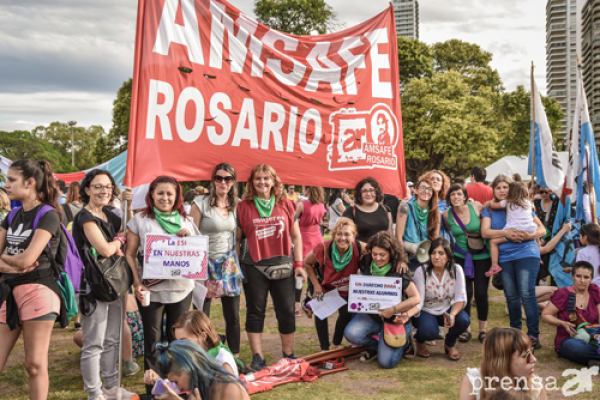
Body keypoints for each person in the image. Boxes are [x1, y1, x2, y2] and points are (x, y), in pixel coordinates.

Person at [125, 175, 199, 395]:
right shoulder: (139, 220)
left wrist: (187, 239)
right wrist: (137, 283)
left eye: (169, 193)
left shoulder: (187, 221)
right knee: (153, 343)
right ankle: (154, 392)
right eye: (160, 193)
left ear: (176, 196)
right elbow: (129, 254)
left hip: (181, 289)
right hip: (152, 291)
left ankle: (177, 389)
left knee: (178, 341)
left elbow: (197, 254)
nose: (165, 198)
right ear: (152, 195)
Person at [0, 159, 65, 400]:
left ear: (29, 183)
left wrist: (9, 260)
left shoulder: (49, 214)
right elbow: (22, 260)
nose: (6, 185)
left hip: (39, 291)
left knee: (34, 365)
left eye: (11, 180)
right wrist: (13, 262)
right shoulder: (13, 214)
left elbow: (28, 260)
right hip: (8, 291)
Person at [235, 164, 306, 371]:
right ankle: (258, 357)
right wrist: (237, 268)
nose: (262, 182)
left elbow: (296, 236)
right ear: (251, 182)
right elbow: (237, 240)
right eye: (258, 178)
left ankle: (288, 354)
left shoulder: (286, 204)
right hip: (253, 266)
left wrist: (299, 263)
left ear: (274, 181)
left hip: (283, 265)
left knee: (286, 311)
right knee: (255, 312)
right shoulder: (243, 207)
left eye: (266, 178)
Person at [71, 169, 134, 400]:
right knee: (94, 343)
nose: (103, 191)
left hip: (115, 283)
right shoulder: (85, 217)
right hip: (94, 285)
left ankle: (111, 388)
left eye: (107, 186)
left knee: (112, 339)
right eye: (97, 186)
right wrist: (120, 239)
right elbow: (106, 249)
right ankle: (94, 394)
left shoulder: (110, 213)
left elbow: (129, 229)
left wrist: (130, 206)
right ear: (86, 190)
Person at [481, 175, 546, 349]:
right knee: (511, 297)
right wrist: (507, 234)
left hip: (527, 252)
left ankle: (533, 335)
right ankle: (515, 334)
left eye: (505, 187)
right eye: (498, 188)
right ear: (493, 190)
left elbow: (542, 229)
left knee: (527, 293)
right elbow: (485, 233)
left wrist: (529, 235)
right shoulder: (491, 209)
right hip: (506, 256)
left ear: (512, 189)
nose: (502, 190)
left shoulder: (522, 204)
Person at [344, 232, 420, 368]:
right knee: (351, 334)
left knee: (386, 363)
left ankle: (405, 342)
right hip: (372, 316)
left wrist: (393, 310)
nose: (377, 258)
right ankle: (377, 345)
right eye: (375, 254)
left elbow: (416, 298)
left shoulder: (399, 270)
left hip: (395, 319)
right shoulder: (366, 261)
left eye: (382, 255)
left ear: (391, 253)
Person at [190, 163, 241, 357]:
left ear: (233, 182)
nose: (223, 182)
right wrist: (193, 270)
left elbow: (236, 236)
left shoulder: (236, 203)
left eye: (227, 178)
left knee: (233, 316)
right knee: (202, 316)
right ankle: (202, 356)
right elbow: (191, 235)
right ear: (213, 180)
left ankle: (234, 356)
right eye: (218, 178)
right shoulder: (200, 202)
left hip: (228, 263)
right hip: (204, 263)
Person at [304, 217, 364, 351]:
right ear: (334, 235)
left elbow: (380, 252)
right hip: (326, 287)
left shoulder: (360, 247)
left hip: (346, 290)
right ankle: (324, 348)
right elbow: (307, 263)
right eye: (339, 234)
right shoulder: (323, 248)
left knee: (346, 313)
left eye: (347, 234)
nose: (343, 238)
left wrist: (401, 261)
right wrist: (317, 286)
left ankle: (336, 343)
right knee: (320, 313)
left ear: (354, 236)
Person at [144, 310, 240, 389]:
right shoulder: (195, 357)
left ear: (203, 336)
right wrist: (158, 379)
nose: (179, 346)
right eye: (177, 341)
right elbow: (181, 383)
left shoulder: (222, 362)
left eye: (184, 341)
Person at [443, 184, 490, 343]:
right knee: (465, 293)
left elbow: (489, 219)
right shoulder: (446, 215)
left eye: (458, 194)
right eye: (452, 195)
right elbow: (449, 234)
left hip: (482, 256)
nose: (455, 197)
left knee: (482, 293)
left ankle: (483, 329)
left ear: (464, 196)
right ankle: (466, 328)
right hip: (460, 256)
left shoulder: (476, 206)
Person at [412, 238, 469, 360]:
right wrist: (409, 315)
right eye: (433, 253)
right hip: (426, 310)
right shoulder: (421, 271)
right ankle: (420, 340)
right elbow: (419, 301)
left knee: (464, 320)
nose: (436, 257)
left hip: (446, 309)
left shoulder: (456, 269)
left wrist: (452, 314)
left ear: (448, 255)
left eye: (441, 253)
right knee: (430, 332)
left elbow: (461, 297)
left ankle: (450, 343)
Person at [458, 327, 547, 400]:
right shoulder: (474, 380)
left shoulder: (534, 383)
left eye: (532, 352)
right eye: (526, 355)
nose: (534, 359)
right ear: (503, 361)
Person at [541, 261, 600, 368]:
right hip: (570, 339)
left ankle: (596, 362)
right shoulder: (563, 294)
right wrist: (562, 323)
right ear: (573, 276)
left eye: (586, 277)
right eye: (578, 276)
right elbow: (546, 314)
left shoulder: (595, 291)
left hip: (594, 336)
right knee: (576, 348)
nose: (582, 280)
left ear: (591, 279)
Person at [155, 341, 249, 400]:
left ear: (185, 371)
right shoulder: (203, 388)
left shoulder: (230, 388)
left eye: (176, 382)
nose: (178, 388)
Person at [487, 182, 539, 277]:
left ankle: (494, 266)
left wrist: (492, 201)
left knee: (493, 242)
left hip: (514, 232)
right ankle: (538, 252)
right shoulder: (528, 203)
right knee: (537, 235)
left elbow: (493, 205)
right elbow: (534, 211)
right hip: (530, 229)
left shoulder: (508, 202)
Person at [396, 176, 441, 272]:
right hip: (409, 256)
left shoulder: (435, 212)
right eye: (423, 188)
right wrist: (402, 260)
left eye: (429, 189)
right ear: (416, 191)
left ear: (432, 193)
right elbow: (398, 237)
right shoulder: (405, 208)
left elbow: (435, 239)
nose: (426, 191)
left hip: (427, 257)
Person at [533, 187, 574, 288]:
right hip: (540, 242)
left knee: (555, 274)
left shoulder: (557, 202)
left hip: (555, 241)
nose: (544, 194)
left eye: (547, 191)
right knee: (537, 276)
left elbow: (566, 199)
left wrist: (556, 190)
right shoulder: (535, 202)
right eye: (541, 191)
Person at [296, 186, 327, 316]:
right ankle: (311, 299)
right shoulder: (321, 205)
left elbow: (293, 222)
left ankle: (296, 304)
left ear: (307, 189)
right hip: (317, 238)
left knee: (298, 272)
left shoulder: (301, 205)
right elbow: (320, 220)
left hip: (303, 239)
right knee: (314, 272)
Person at [342, 177, 392, 244]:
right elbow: (345, 238)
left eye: (372, 190)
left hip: (382, 253)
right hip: (361, 253)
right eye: (364, 191)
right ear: (359, 193)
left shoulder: (386, 209)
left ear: (376, 191)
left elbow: (390, 236)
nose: (368, 194)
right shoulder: (350, 212)